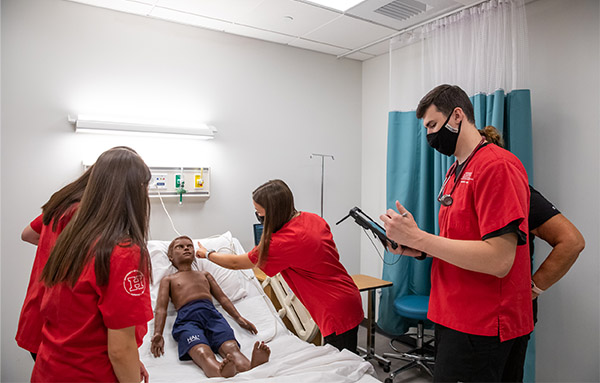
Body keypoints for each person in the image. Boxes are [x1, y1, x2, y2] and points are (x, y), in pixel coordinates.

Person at [380, 84, 533, 382]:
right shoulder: (454, 172)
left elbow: (499, 259)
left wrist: (420, 238)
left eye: (433, 125)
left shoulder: (497, 166)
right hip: (452, 314)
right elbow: (460, 241)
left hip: (485, 325)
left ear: (457, 116)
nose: (429, 136)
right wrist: (415, 247)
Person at [196, 179, 364, 353]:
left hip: (334, 310)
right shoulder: (313, 218)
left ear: (271, 212)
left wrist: (208, 254)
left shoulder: (280, 242)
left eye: (258, 212)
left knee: (344, 364)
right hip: (348, 295)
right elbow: (333, 254)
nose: (257, 215)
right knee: (348, 354)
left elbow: (236, 263)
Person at [31, 147, 153, 382]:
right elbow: (120, 350)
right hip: (90, 373)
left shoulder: (72, 237)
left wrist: (132, 358)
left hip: (50, 369)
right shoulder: (123, 253)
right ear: (135, 194)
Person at [479, 126, 585, 382]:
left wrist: (533, 288)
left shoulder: (518, 192)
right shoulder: (474, 191)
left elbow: (572, 241)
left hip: (508, 312)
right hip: (478, 307)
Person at [151, 236, 270, 378]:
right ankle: (219, 370)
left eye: (189, 246)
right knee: (202, 352)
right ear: (170, 256)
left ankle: (250, 366)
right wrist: (157, 333)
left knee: (231, 348)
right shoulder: (169, 279)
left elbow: (223, 298)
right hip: (187, 321)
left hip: (213, 316)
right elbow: (161, 308)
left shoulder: (204, 274)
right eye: (180, 247)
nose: (186, 248)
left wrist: (239, 318)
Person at [16, 165, 93, 361]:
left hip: (36, 312)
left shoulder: (62, 205)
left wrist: (51, 246)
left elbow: (28, 234)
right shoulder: (82, 213)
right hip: (57, 319)